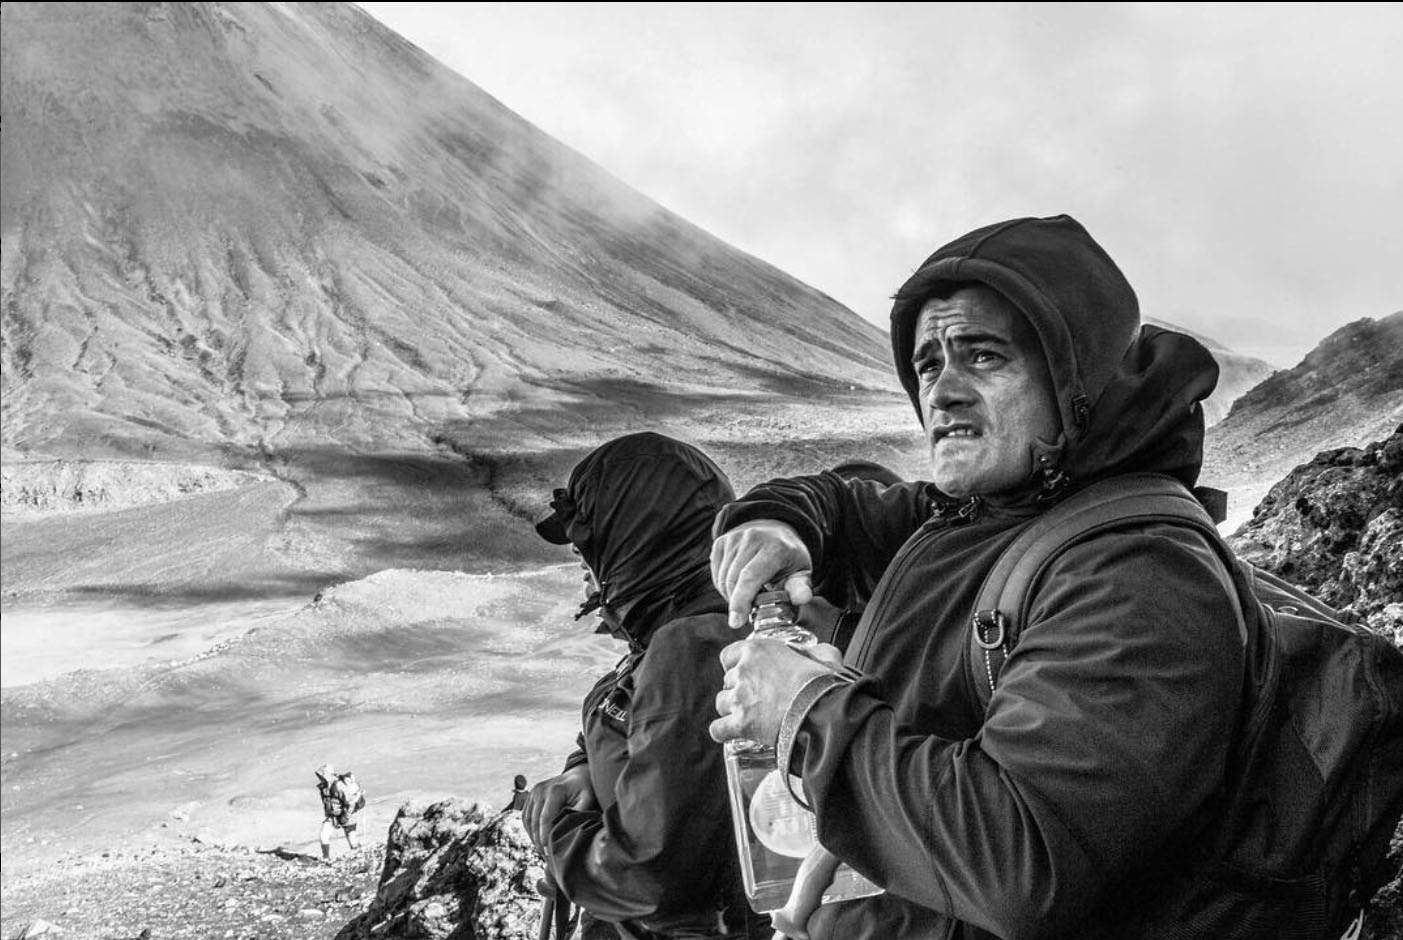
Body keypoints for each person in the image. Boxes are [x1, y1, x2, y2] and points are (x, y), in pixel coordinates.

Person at [707, 214, 1244, 938]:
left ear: (1075, 374)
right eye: (927, 365)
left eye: (984, 356)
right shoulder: (980, 515)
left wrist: (806, 714)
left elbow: (1024, 859)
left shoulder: (1139, 571)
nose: (942, 392)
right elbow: (842, 507)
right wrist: (777, 522)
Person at [523, 432, 771, 940]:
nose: (585, 572)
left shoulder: (695, 649)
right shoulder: (684, 630)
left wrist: (561, 836)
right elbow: (639, 728)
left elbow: (646, 876)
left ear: (636, 543)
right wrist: (583, 771)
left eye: (588, 552)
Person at [315, 763, 364, 861]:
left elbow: (350, 803)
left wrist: (345, 816)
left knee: (352, 840)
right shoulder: (324, 787)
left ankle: (360, 857)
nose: (320, 778)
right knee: (323, 835)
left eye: (322, 775)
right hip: (333, 817)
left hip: (347, 816)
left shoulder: (339, 786)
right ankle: (326, 858)